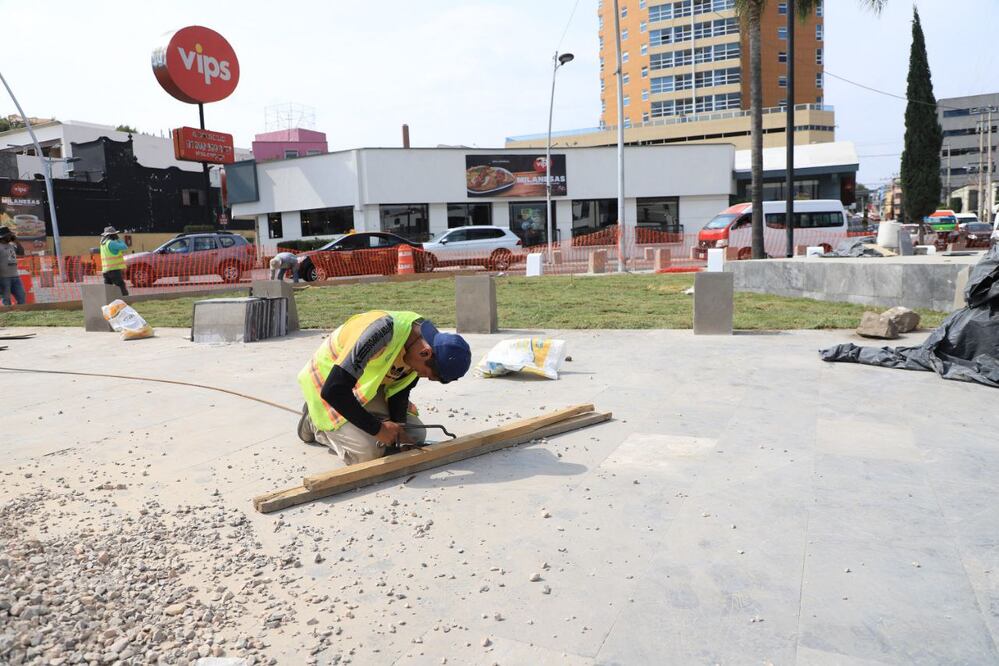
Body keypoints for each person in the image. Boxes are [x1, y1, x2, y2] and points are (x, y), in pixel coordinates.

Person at [297, 311, 472, 465]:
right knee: (367, 453)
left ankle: (361, 423)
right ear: (425, 353)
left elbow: (401, 388)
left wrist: (399, 428)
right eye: (426, 374)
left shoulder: (422, 342)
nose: (421, 376)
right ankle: (314, 423)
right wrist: (378, 429)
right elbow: (334, 390)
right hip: (329, 383)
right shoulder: (379, 332)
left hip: (362, 385)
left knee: (415, 435)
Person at [0, 227, 27, 307]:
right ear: (3, 236)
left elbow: (21, 253)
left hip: (15, 276)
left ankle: (21, 312)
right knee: (6, 300)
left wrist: (17, 242)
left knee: (22, 297)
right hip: (3, 278)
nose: (11, 236)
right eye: (9, 235)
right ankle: (8, 314)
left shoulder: (11, 246)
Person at [99, 226, 129, 296]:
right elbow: (125, 247)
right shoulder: (111, 243)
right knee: (121, 287)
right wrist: (118, 239)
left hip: (105, 271)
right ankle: (125, 300)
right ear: (112, 235)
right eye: (115, 234)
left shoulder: (103, 244)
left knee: (108, 289)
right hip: (114, 270)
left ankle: (109, 301)